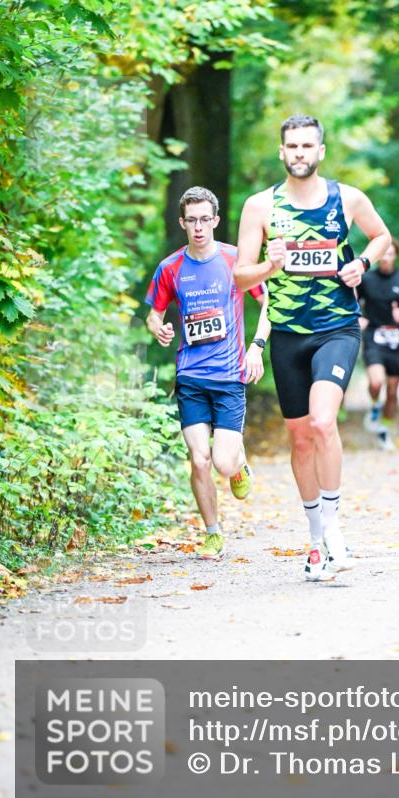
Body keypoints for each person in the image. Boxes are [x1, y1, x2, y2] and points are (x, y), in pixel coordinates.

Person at [234, 114, 391, 580]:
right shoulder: (260, 207)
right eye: (292, 146)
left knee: (324, 422)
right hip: (286, 335)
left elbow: (381, 236)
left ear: (320, 151)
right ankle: (315, 537)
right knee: (299, 437)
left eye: (308, 146)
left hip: (336, 328)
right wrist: (267, 266)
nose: (300, 153)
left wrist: (362, 262)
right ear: (281, 153)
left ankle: (333, 523)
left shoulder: (347, 198)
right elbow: (240, 274)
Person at [146, 186, 270, 559]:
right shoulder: (171, 268)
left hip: (230, 376)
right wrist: (159, 327)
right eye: (191, 220)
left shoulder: (235, 260)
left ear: (215, 220)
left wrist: (257, 348)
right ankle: (213, 532)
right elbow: (154, 313)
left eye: (205, 219)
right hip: (191, 377)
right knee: (199, 458)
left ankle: (238, 463)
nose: (198, 227)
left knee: (221, 461)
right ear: (182, 222)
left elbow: (269, 305)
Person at [358, 239, 399, 450]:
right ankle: (374, 406)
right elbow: (353, 300)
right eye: (382, 253)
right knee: (376, 382)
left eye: (390, 253)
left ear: (395, 256)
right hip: (374, 336)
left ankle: (384, 430)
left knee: (392, 391)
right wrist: (358, 317)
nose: (385, 257)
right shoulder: (367, 279)